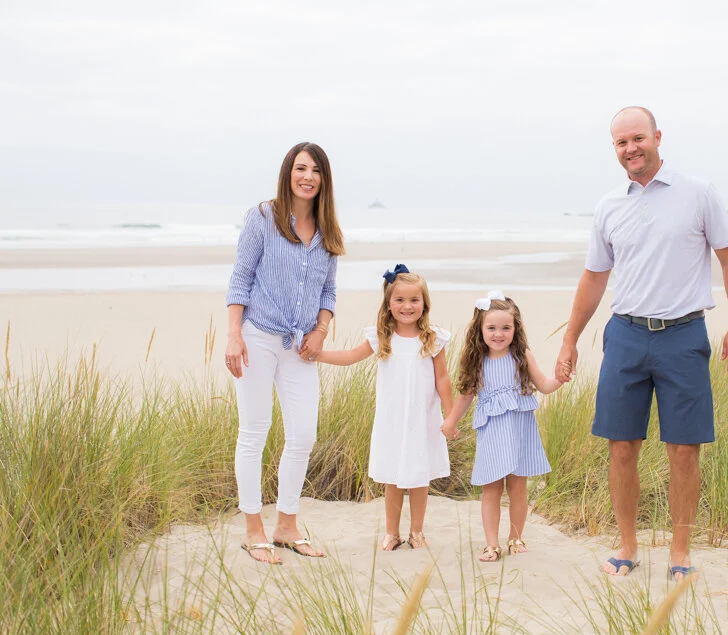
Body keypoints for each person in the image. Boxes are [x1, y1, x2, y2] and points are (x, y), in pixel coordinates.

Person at [555, 107, 728, 581]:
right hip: (625, 335)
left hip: (683, 335)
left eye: (638, 138)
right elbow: (594, 278)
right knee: (621, 446)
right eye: (621, 143)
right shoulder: (609, 207)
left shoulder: (698, 194)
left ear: (657, 137)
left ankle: (680, 553)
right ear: (615, 149)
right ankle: (627, 547)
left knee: (685, 449)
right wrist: (570, 341)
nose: (630, 149)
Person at [225, 141, 344, 564]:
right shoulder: (263, 219)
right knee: (254, 432)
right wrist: (234, 335)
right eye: (301, 168)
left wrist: (321, 330)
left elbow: (328, 290)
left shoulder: (328, 230)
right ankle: (253, 528)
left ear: (323, 179)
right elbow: (241, 278)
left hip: (300, 347)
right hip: (257, 336)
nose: (307, 176)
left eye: (315, 171)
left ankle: (287, 525)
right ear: (288, 172)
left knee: (304, 434)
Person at [317, 265, 453, 551]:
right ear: (389, 304)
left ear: (424, 303)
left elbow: (443, 378)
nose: (407, 306)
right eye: (400, 300)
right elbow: (350, 356)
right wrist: (319, 355)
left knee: (419, 478)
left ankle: (417, 532)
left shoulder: (432, 338)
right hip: (392, 420)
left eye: (414, 300)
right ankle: (392, 533)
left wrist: (451, 416)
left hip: (422, 419)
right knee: (393, 478)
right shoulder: (381, 337)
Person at [441, 292, 564, 562]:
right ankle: (492, 544)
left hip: (520, 432)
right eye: (492, 328)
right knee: (492, 487)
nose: (499, 334)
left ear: (515, 329)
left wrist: (560, 379)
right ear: (480, 330)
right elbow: (465, 397)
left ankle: (516, 537)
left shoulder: (522, 356)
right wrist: (450, 422)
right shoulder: (478, 362)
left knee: (518, 487)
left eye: (506, 328)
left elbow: (543, 385)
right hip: (493, 434)